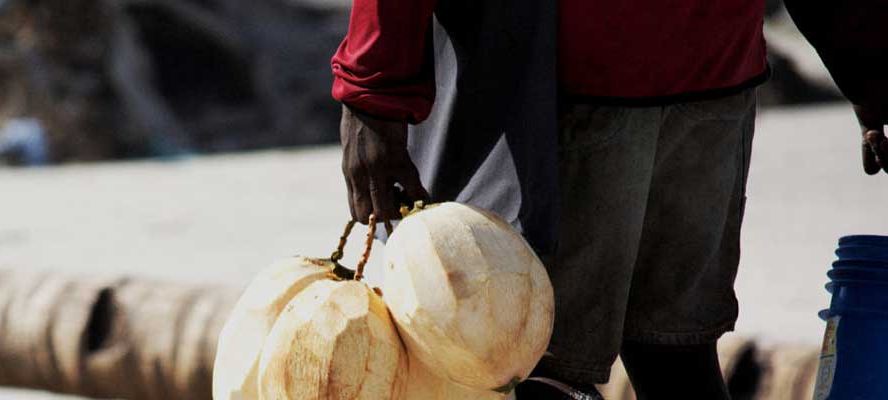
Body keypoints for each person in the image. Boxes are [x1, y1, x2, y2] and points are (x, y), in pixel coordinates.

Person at [330, 0, 885, 398]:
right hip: (714, 72)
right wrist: (867, 64)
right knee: (675, 355)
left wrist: (373, 88)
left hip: (560, 76)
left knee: (528, 362)